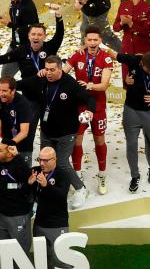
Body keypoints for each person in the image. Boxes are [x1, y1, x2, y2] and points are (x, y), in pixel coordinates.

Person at [18, 56, 94, 208]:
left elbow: (89, 98)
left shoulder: (70, 84)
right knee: (44, 162)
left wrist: (90, 111)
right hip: (47, 131)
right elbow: (19, 84)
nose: (49, 73)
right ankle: (42, 190)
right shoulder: (41, 79)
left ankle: (80, 189)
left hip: (67, 132)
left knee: (62, 163)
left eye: (53, 70)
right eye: (47, 69)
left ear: (61, 68)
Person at [106, 47, 150, 195]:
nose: (149, 72)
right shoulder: (134, 60)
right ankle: (135, 176)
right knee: (131, 144)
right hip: (132, 110)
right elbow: (112, 53)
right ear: (141, 63)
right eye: (146, 69)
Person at [65, 26, 113, 194]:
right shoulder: (77, 55)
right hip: (80, 105)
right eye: (89, 40)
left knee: (99, 140)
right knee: (77, 140)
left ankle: (102, 174)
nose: (92, 43)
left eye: (95, 40)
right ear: (85, 40)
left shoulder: (106, 58)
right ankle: (77, 175)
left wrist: (90, 85)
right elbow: (63, 73)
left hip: (98, 106)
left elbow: (105, 84)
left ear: (100, 41)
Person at [0, 5, 64, 80]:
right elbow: (0, 59)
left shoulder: (50, 47)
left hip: (47, 88)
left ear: (45, 36)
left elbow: (59, 34)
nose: (36, 37)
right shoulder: (21, 50)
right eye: (33, 34)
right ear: (28, 36)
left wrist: (58, 16)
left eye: (39, 35)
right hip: (27, 89)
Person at [0, 138, 35, 269]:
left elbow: (29, 180)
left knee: (21, 251)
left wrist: (17, 155)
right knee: (6, 252)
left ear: (10, 153)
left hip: (18, 217)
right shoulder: (1, 166)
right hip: (3, 217)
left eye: (0, 150)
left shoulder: (19, 166)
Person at [30, 146, 71, 269]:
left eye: (46, 160)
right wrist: (28, 184)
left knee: (61, 259)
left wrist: (46, 186)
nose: (42, 163)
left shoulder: (63, 174)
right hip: (39, 223)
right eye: (40, 160)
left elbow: (61, 196)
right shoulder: (35, 172)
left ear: (55, 160)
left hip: (57, 224)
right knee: (42, 260)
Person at [0, 0, 39, 79]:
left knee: (29, 78)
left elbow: (30, 31)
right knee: (5, 75)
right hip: (15, 45)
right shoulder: (14, 3)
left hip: (27, 48)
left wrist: (9, 24)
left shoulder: (28, 8)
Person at [0, 77, 38, 164]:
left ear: (13, 91)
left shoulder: (23, 104)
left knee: (23, 174)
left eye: (5, 91)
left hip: (22, 146)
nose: (1, 93)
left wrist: (9, 143)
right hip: (4, 144)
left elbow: (24, 132)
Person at [112, 0, 150, 82]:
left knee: (143, 76)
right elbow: (115, 27)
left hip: (142, 46)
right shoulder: (124, 5)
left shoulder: (148, 8)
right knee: (128, 76)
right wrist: (122, 23)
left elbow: (146, 32)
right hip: (127, 46)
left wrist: (131, 23)